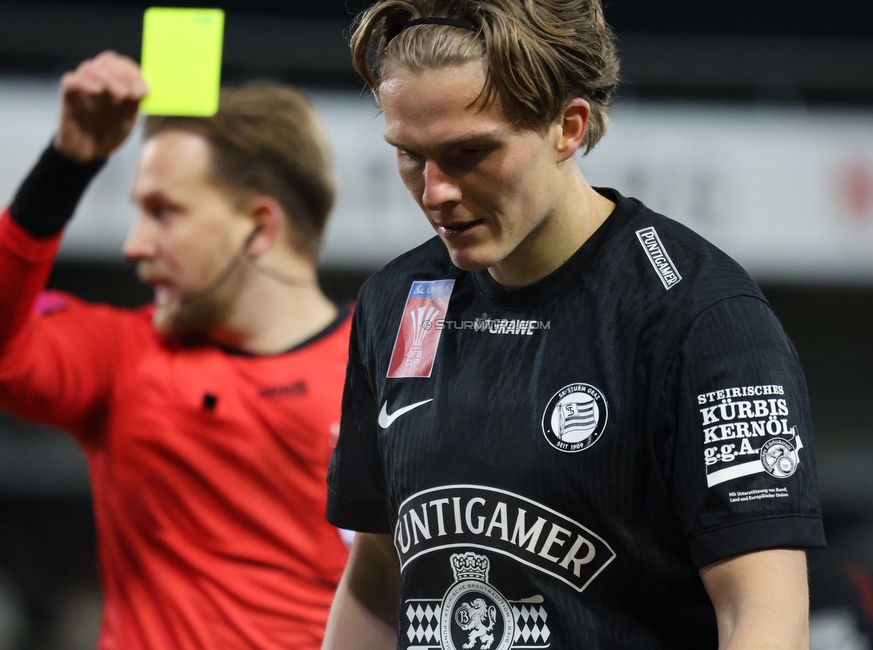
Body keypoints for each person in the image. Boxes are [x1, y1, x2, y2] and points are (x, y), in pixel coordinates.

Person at [322, 1, 826, 649]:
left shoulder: (702, 318)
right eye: (410, 155)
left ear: (569, 127)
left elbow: (763, 616)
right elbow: (374, 585)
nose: (436, 190)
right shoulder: (397, 301)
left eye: (470, 152)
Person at [0, 51, 351, 649]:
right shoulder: (122, 355)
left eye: (163, 212)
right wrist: (65, 167)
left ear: (260, 228)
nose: (134, 246)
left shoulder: (396, 375)